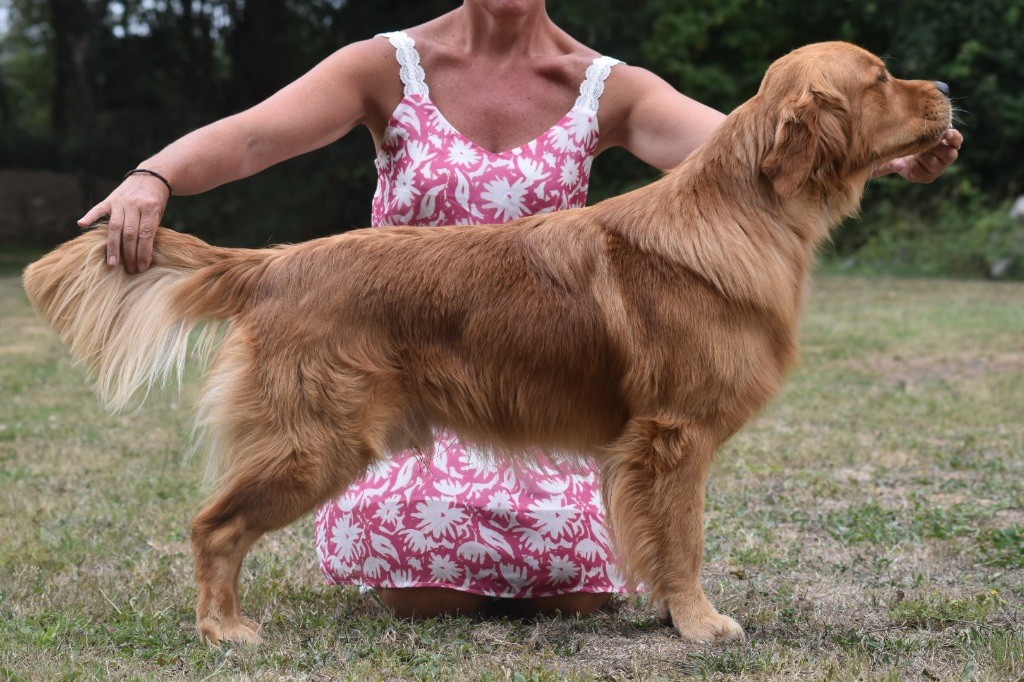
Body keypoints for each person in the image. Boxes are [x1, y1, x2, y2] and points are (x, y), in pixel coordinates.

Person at [79, 0, 962, 619]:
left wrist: (884, 152)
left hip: (545, 392)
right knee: (433, 585)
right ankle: (223, 563)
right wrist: (155, 175)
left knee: (568, 591)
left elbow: (747, 154)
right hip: (396, 340)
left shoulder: (604, 82)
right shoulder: (384, 63)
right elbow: (252, 135)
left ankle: (652, 582)